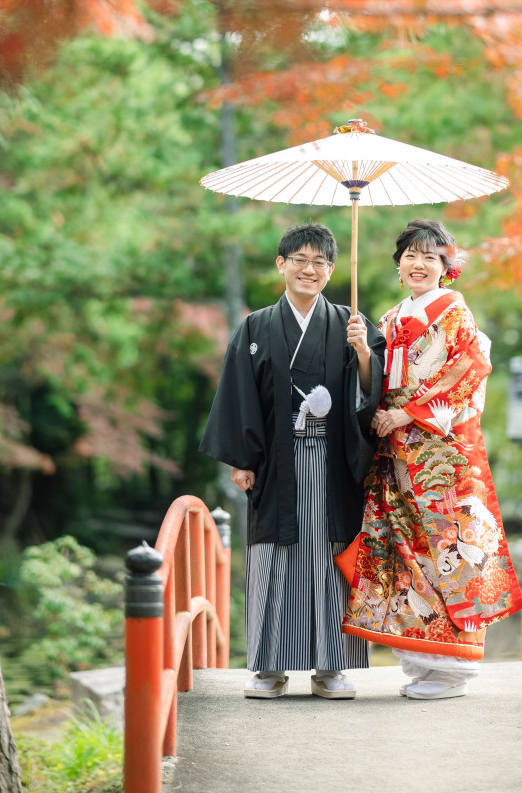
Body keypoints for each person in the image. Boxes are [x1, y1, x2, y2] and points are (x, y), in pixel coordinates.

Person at [199, 222, 385, 700]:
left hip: (334, 462)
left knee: (329, 556)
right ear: (281, 264)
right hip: (277, 463)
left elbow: (370, 393)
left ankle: (331, 667)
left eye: (319, 262)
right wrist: (242, 459)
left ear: (332, 269)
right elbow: (240, 394)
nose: (309, 269)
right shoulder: (257, 327)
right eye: (299, 260)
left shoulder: (350, 323)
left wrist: (364, 352)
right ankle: (269, 667)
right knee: (274, 558)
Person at [338, 218, 522, 700]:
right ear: (398, 265)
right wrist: (362, 352)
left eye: (430, 257)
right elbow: (377, 377)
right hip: (395, 448)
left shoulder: (454, 312)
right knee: (403, 548)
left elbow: (469, 368)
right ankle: (422, 660)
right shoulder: (390, 317)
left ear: (446, 267)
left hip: (439, 449)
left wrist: (406, 414)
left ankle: (453, 668)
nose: (418, 264)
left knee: (446, 548)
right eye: (410, 255)